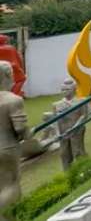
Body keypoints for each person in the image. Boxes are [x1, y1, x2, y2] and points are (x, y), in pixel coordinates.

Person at [0, 60, 27, 210]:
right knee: (12, 183)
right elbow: (20, 128)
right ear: (7, 75)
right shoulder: (13, 100)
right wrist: (29, 133)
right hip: (8, 147)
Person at [53, 79, 87, 170]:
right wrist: (57, 133)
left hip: (77, 131)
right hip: (63, 133)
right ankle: (67, 174)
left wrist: (75, 127)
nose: (64, 92)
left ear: (74, 89)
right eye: (62, 89)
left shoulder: (81, 101)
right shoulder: (57, 105)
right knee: (64, 154)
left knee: (78, 151)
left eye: (67, 89)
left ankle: (84, 170)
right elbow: (55, 121)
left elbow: (84, 116)